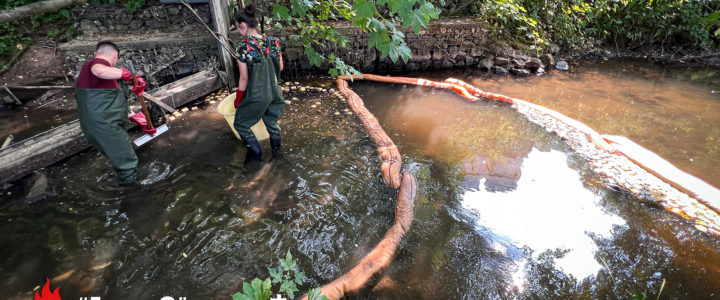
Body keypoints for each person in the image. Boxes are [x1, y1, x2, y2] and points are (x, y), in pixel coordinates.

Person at [75, 41, 151, 186]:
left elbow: (109, 102)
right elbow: (100, 71)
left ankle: (124, 183)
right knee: (126, 162)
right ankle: (132, 196)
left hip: (101, 125)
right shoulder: (94, 64)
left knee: (120, 157)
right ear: (115, 55)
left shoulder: (98, 77)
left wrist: (133, 116)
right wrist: (128, 75)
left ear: (95, 52)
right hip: (105, 126)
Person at [233, 3, 285, 162]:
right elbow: (281, 67)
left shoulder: (243, 48)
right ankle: (278, 156)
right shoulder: (273, 41)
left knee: (240, 124)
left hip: (257, 95)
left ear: (243, 25)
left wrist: (238, 99)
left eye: (237, 27)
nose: (238, 31)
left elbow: (243, 79)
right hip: (275, 92)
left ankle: (256, 157)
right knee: (272, 123)